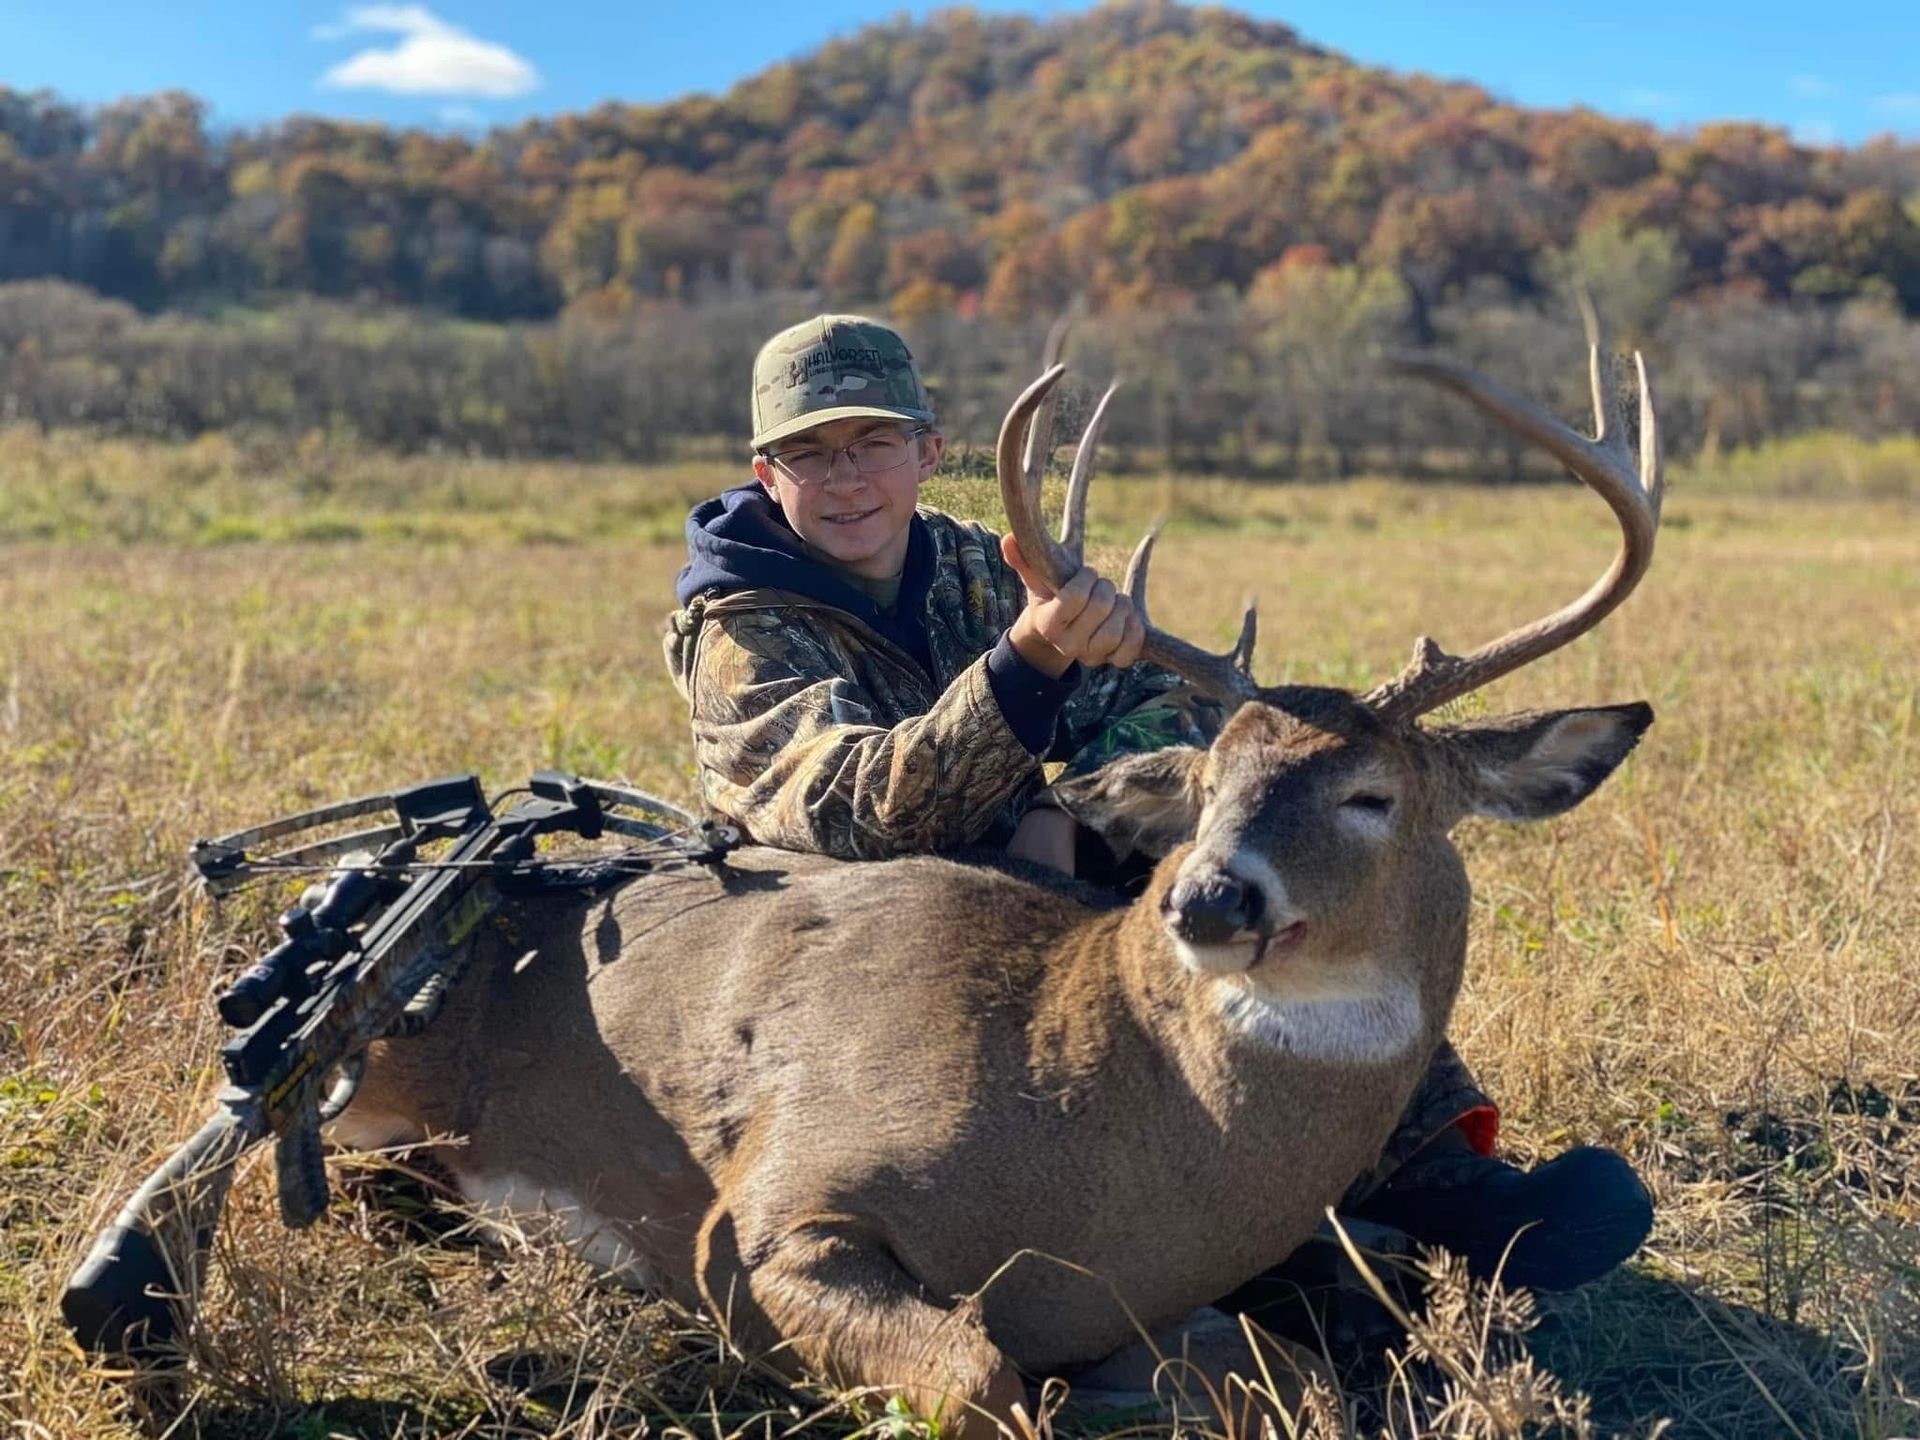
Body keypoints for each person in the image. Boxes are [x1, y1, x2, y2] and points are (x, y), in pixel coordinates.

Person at [663, 313, 1652, 1303]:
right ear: (766, 473)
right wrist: (1027, 667)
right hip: (847, 956)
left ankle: (1426, 1172)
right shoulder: (745, 631)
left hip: (1016, 899)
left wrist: (1085, 820)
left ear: (927, 451)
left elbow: (1145, 709)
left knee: (1282, 865)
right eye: (810, 453)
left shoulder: (984, 569)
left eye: (872, 444)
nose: (845, 479)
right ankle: (1219, 1246)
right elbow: (840, 812)